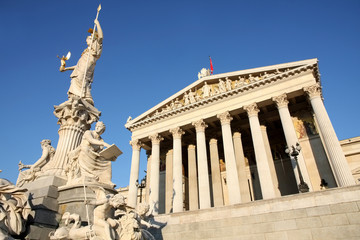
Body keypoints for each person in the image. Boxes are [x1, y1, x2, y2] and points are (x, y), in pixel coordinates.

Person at [60, 19, 103, 105]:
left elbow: (101, 37)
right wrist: (66, 68)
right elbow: (78, 66)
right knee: (75, 80)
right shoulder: (85, 52)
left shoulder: (95, 48)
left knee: (82, 81)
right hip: (79, 71)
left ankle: (86, 97)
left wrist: (97, 23)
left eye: (88, 39)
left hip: (87, 69)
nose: (86, 40)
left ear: (92, 39)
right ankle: (76, 99)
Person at [67, 121, 113, 185]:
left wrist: (110, 155)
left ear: (102, 130)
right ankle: (87, 174)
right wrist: (104, 144)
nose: (97, 127)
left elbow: (100, 152)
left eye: (99, 127)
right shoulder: (88, 132)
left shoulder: (101, 139)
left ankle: (106, 181)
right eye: (96, 126)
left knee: (108, 162)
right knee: (86, 149)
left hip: (93, 155)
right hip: (85, 151)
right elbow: (91, 140)